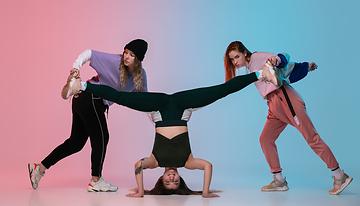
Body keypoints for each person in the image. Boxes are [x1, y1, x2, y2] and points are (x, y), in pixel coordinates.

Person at [62, 62, 278, 197]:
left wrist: (140, 191)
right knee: (221, 90)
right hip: (183, 106)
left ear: (161, 180)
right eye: (176, 183)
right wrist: (204, 193)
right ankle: (262, 74)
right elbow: (208, 166)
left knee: (123, 98)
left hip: (159, 108)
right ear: (180, 181)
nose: (172, 179)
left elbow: (139, 165)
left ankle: (81, 86)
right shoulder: (188, 162)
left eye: (167, 182)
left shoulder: (155, 162)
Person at [224, 41, 353, 195]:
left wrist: (277, 60)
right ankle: (279, 180)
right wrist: (306, 67)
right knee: (265, 139)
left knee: (311, 137)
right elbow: (284, 70)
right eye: (232, 59)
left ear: (245, 52)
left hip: (286, 100)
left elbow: (282, 57)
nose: (235, 62)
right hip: (273, 105)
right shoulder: (250, 66)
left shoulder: (257, 57)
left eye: (236, 57)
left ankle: (340, 175)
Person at [28, 39, 149, 192]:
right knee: (102, 137)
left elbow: (145, 99)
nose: (126, 57)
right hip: (90, 97)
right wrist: (75, 69)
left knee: (75, 143)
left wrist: (155, 115)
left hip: (83, 100)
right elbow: (89, 53)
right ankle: (96, 180)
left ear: (138, 60)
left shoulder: (141, 76)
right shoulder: (115, 61)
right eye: (125, 52)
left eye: (131, 55)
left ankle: (38, 169)